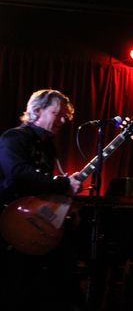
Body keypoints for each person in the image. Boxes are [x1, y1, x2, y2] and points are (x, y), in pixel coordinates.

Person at [0, 89, 83, 310]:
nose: (63, 121)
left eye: (65, 116)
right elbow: (18, 173)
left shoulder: (47, 145)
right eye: (58, 114)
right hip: (9, 222)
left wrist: (63, 200)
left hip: (31, 220)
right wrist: (63, 184)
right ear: (37, 111)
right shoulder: (14, 137)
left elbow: (41, 185)